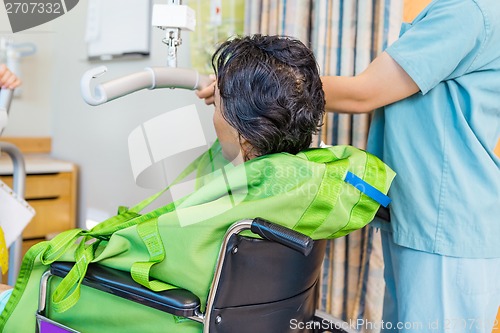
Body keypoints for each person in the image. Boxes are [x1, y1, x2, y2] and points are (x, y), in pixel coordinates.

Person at [1, 34, 394, 332]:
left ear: (242, 132)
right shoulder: (312, 184)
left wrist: (60, 251)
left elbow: (132, 251)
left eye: (219, 104)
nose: (213, 114)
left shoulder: (229, 202)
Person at [198, 2, 500, 332]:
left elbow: (364, 93)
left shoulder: (469, 12)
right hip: (424, 215)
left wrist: (244, 86)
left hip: (446, 224)